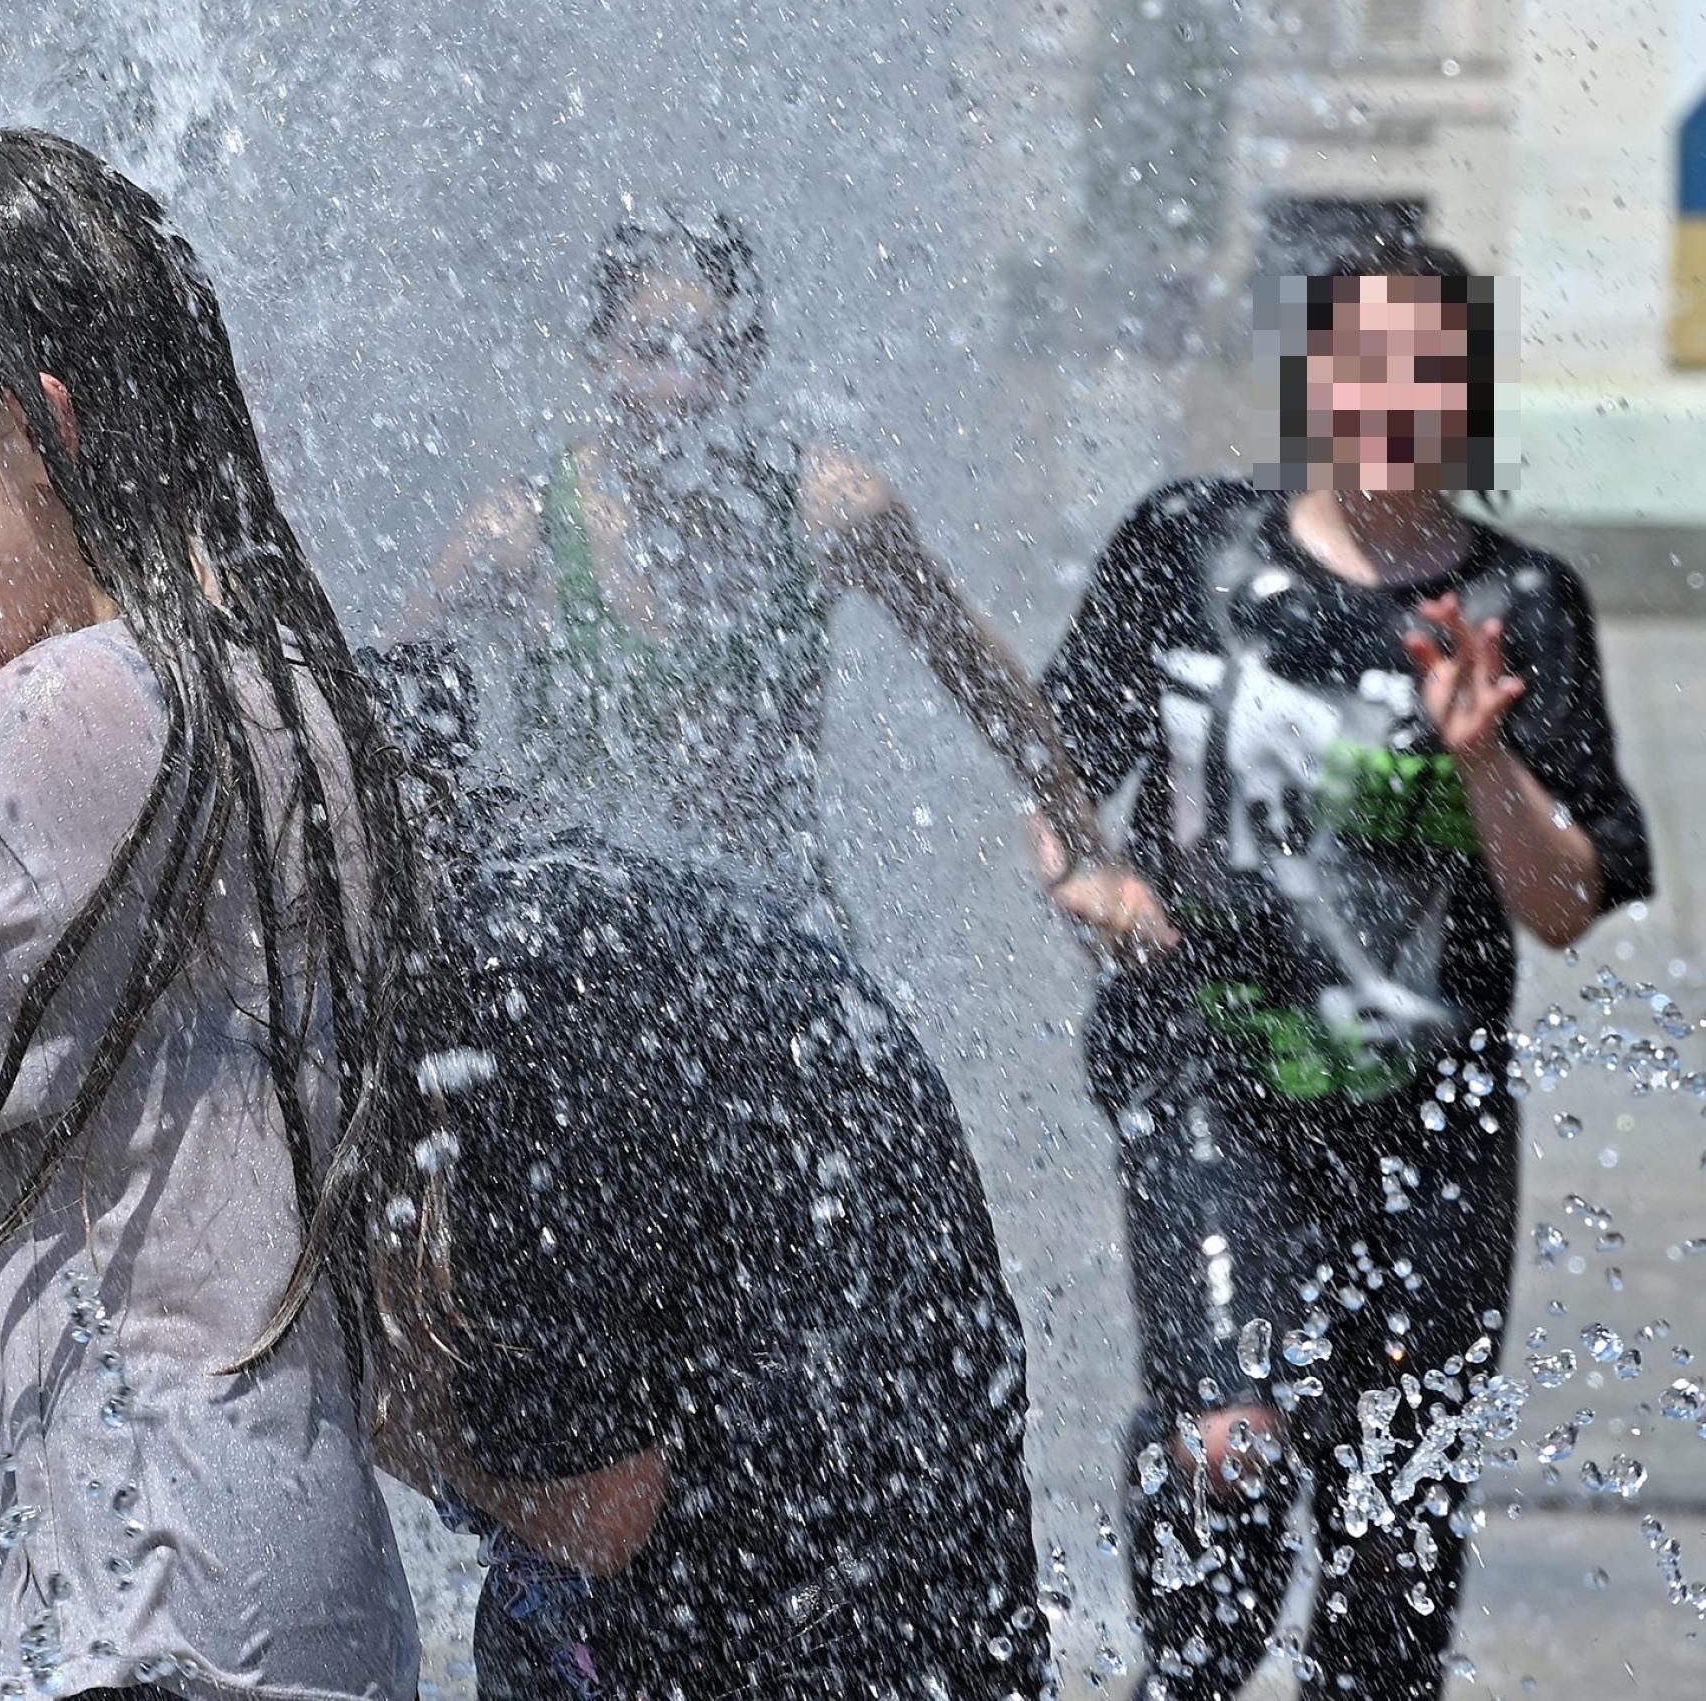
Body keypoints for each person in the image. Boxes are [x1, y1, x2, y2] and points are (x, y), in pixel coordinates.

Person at [0, 127, 424, 1701]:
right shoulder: (282, 686)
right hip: (270, 1600)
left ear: (32, 426)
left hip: (105, 1628)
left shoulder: (68, 718)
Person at [1039, 243, 1654, 1701]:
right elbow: (1058, 763)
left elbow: (1565, 906)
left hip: (1427, 1115)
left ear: (1468, 394)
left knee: (1388, 1520)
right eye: (1367, 361)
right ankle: (1182, 1673)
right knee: (1231, 1451)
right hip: (1209, 1076)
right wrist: (1088, 881)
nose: (1397, 394)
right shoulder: (1190, 547)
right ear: (1316, 374)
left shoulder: (1521, 604)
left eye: (1432, 368)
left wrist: (1482, 753)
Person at [351, 643, 1052, 1701]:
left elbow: (601, 1509)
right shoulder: (590, 902)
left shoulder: (501, 997)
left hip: (783, 1611)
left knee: (544, 1601)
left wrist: (402, 1422)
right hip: (930, 1573)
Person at [420, 207, 1155, 945]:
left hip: (779, 941)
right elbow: (379, 710)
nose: (681, 385)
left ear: (752, 354)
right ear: (598, 353)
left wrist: (1087, 853)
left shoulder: (826, 513)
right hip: (580, 950)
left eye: (710, 352)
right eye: (650, 352)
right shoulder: (521, 537)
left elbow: (982, 678)